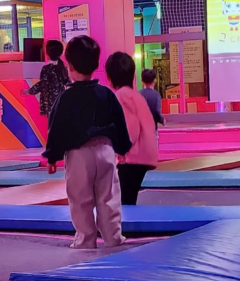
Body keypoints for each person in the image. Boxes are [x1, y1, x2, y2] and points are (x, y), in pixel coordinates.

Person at [43, 35, 132, 249]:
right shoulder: (106, 94)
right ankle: (113, 237)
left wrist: (52, 156)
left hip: (78, 154)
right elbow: (119, 122)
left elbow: (57, 128)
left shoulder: (66, 98)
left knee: (80, 198)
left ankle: (85, 239)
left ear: (70, 67)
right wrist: (121, 148)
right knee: (108, 196)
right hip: (105, 150)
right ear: (96, 64)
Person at [106, 51, 158, 205]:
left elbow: (131, 128)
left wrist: (121, 150)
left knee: (125, 199)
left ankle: (125, 227)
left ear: (110, 77)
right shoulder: (136, 96)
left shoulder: (121, 96)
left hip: (133, 157)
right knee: (129, 197)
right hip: (144, 154)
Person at [27, 39, 70, 117]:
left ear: (47, 53)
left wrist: (29, 91)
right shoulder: (63, 67)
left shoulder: (47, 68)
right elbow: (67, 82)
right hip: (61, 102)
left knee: (52, 126)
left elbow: (42, 84)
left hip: (50, 104)